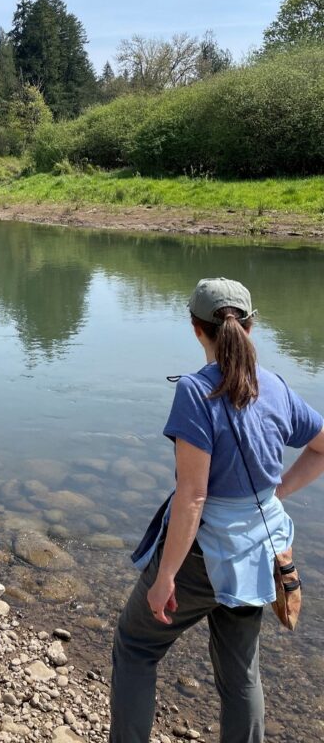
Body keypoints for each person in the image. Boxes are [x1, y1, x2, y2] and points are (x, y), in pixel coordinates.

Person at [109, 277, 324, 743]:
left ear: (195, 329)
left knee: (136, 645)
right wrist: (276, 494)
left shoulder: (194, 392)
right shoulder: (277, 387)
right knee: (240, 673)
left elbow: (193, 497)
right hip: (259, 552)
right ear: (251, 326)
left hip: (202, 557)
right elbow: (322, 447)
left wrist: (165, 578)